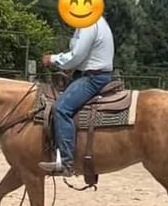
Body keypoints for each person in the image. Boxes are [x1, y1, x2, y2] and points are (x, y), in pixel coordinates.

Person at [39, 15, 115, 176]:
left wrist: (53, 59)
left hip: (93, 77)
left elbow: (76, 56)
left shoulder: (89, 24)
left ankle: (66, 162)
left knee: (61, 108)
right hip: (87, 74)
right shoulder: (93, 22)